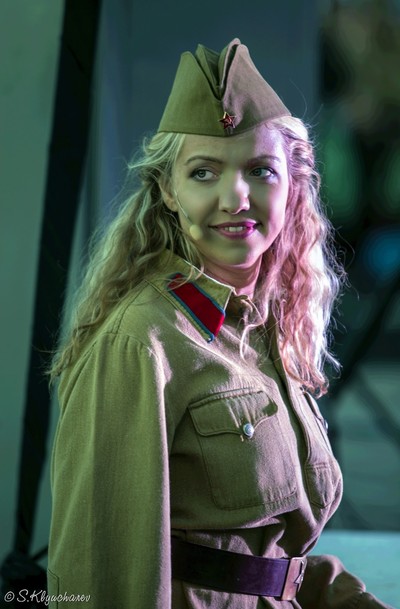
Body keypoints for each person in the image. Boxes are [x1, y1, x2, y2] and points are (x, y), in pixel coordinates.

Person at [46, 39, 395, 609]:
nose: (236, 197)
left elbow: (263, 556)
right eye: (204, 172)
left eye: (260, 170)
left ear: (293, 185)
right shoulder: (141, 343)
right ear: (168, 190)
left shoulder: (266, 328)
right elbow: (101, 571)